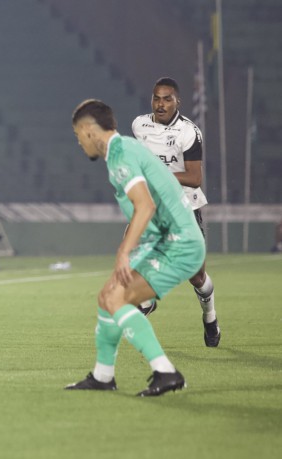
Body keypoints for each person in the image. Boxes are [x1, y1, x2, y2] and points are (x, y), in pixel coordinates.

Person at [65, 99, 205, 396]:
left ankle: (166, 372)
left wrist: (124, 253)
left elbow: (145, 206)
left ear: (89, 130)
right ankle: (103, 376)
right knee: (107, 297)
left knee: (118, 299)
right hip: (165, 240)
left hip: (178, 243)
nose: (78, 142)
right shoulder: (124, 148)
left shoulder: (121, 154)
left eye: (77, 134)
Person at [132, 77, 221, 347]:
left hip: (185, 207)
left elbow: (195, 178)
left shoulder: (188, 132)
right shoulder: (139, 125)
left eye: (167, 99)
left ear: (177, 101)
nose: (161, 104)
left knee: (196, 276)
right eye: (156, 98)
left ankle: (210, 316)